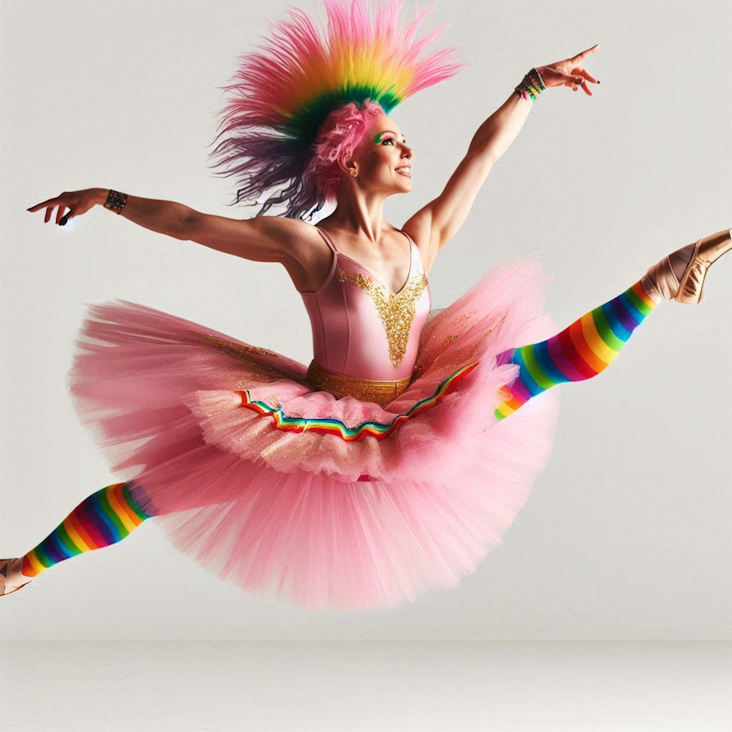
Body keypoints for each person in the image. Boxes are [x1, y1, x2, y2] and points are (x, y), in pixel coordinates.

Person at [3, 0, 729, 610]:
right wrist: (111, 198)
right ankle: (20, 571)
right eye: (392, 141)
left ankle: (666, 280)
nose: (409, 153)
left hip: (417, 407)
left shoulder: (423, 238)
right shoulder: (310, 247)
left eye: (408, 141)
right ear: (350, 161)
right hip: (316, 422)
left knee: (534, 368)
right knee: (152, 492)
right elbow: (194, 224)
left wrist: (531, 86)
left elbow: (483, 156)